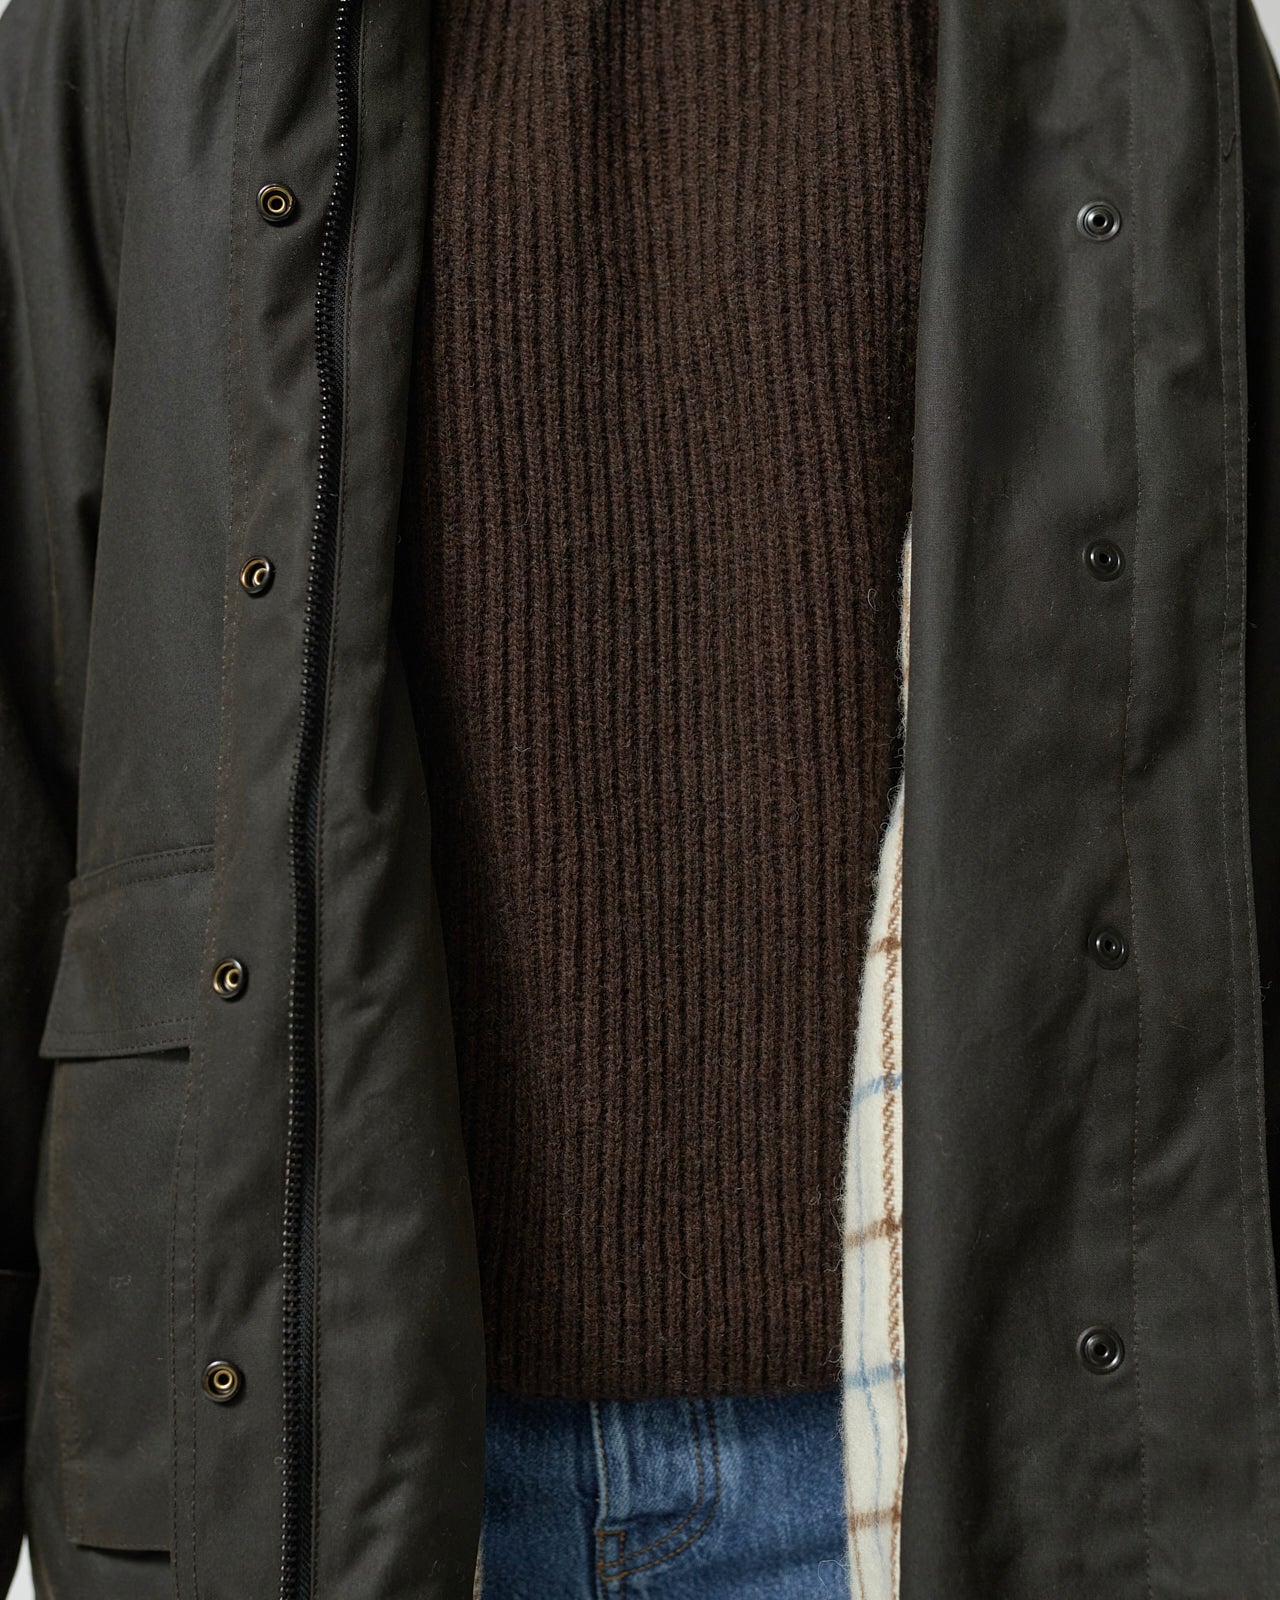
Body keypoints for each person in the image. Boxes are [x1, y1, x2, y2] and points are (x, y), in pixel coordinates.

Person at [3, 3, 1280, 1599]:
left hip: (946, 1441)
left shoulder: (1111, 27)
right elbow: (38, 707)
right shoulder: (154, 25)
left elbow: (1214, 725)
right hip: (303, 1432)